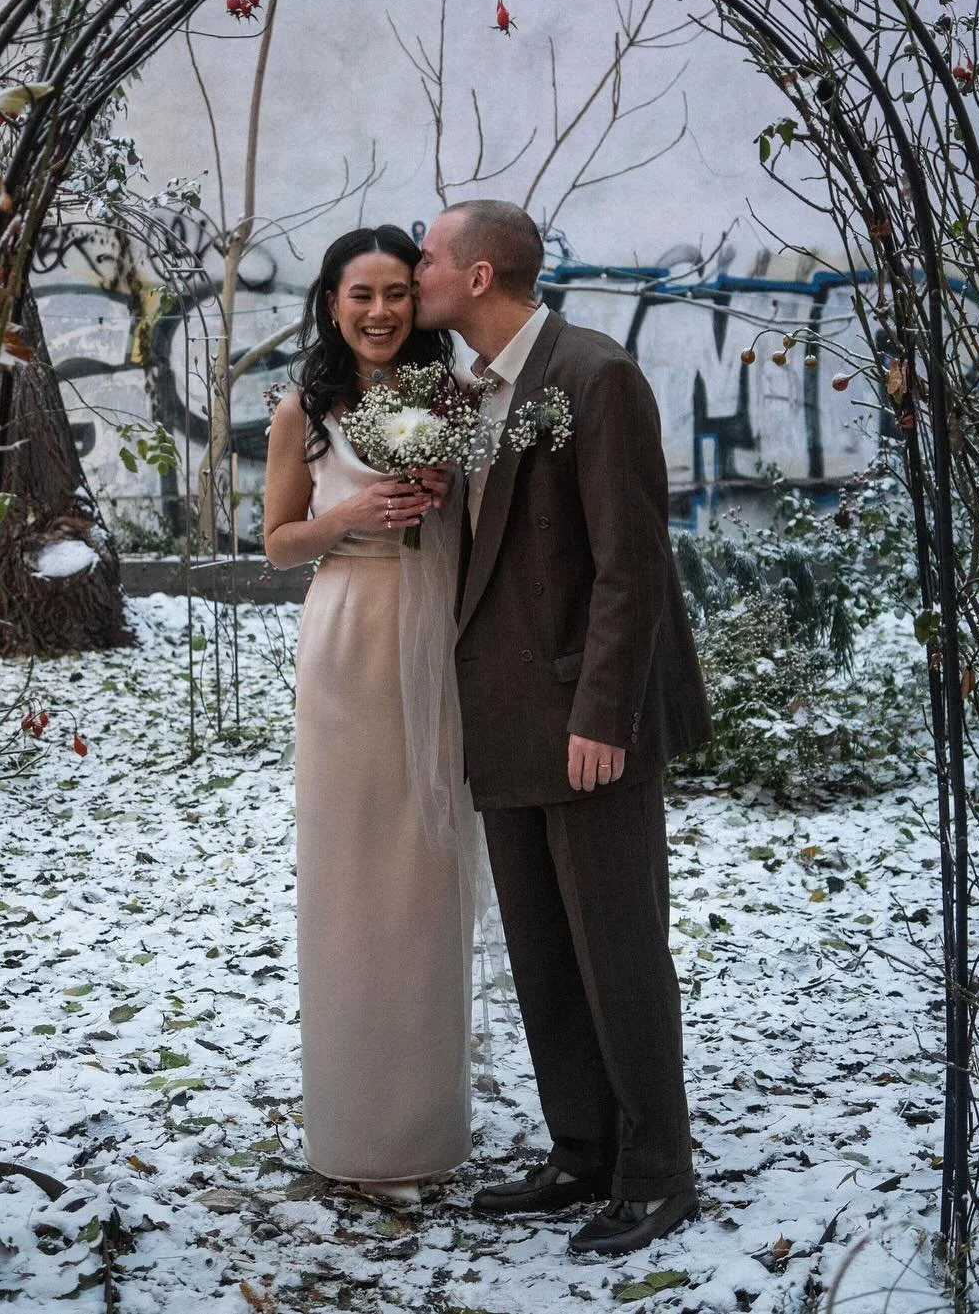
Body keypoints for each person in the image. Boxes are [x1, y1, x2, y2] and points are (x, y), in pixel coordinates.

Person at [414, 198, 714, 1260]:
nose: (416, 269)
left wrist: (604, 713)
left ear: (482, 275)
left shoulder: (594, 375)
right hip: (502, 715)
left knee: (619, 948)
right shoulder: (460, 393)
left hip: (590, 717)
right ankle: (581, 1147)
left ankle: (655, 1173)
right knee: (543, 954)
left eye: (430, 256)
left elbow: (632, 563)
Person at [263, 224, 480, 1207]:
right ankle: (351, 1123)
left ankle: (428, 1120)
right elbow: (275, 542)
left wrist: (446, 494)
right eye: (363, 295)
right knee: (350, 880)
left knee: (426, 874)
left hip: (436, 636)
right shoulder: (301, 408)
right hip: (347, 637)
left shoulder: (457, 400)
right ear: (332, 300)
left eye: (399, 292)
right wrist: (351, 515)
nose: (383, 311)